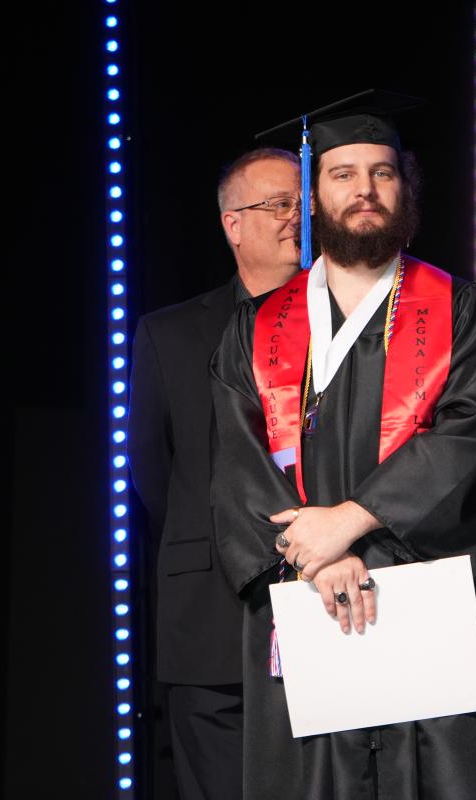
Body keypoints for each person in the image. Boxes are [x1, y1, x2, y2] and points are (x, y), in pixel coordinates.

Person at [208, 92, 476, 800]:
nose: (364, 190)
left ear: (405, 189)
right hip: (303, 592)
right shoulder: (256, 327)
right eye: (343, 174)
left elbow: (471, 432)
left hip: (420, 593)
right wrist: (314, 555)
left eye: (382, 173)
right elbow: (239, 463)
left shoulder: (460, 309)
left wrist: (351, 520)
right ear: (313, 195)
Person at [128, 147, 301, 799]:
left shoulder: (352, 329)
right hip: (210, 617)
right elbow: (154, 470)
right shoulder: (169, 333)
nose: (295, 218)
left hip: (332, 609)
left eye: (304, 205)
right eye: (278, 204)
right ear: (233, 224)